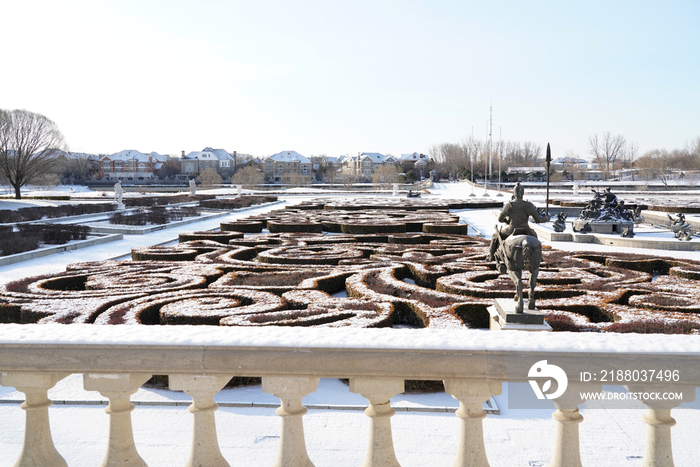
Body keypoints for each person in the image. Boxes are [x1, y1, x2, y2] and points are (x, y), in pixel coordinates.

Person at [488, 183, 550, 261]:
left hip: (511, 230)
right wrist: (547, 219)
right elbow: (539, 220)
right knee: (534, 235)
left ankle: (491, 256)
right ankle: (538, 257)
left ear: (514, 193)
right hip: (525, 230)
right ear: (523, 193)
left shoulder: (509, 205)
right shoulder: (528, 205)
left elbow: (500, 219)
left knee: (495, 236)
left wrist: (507, 220)